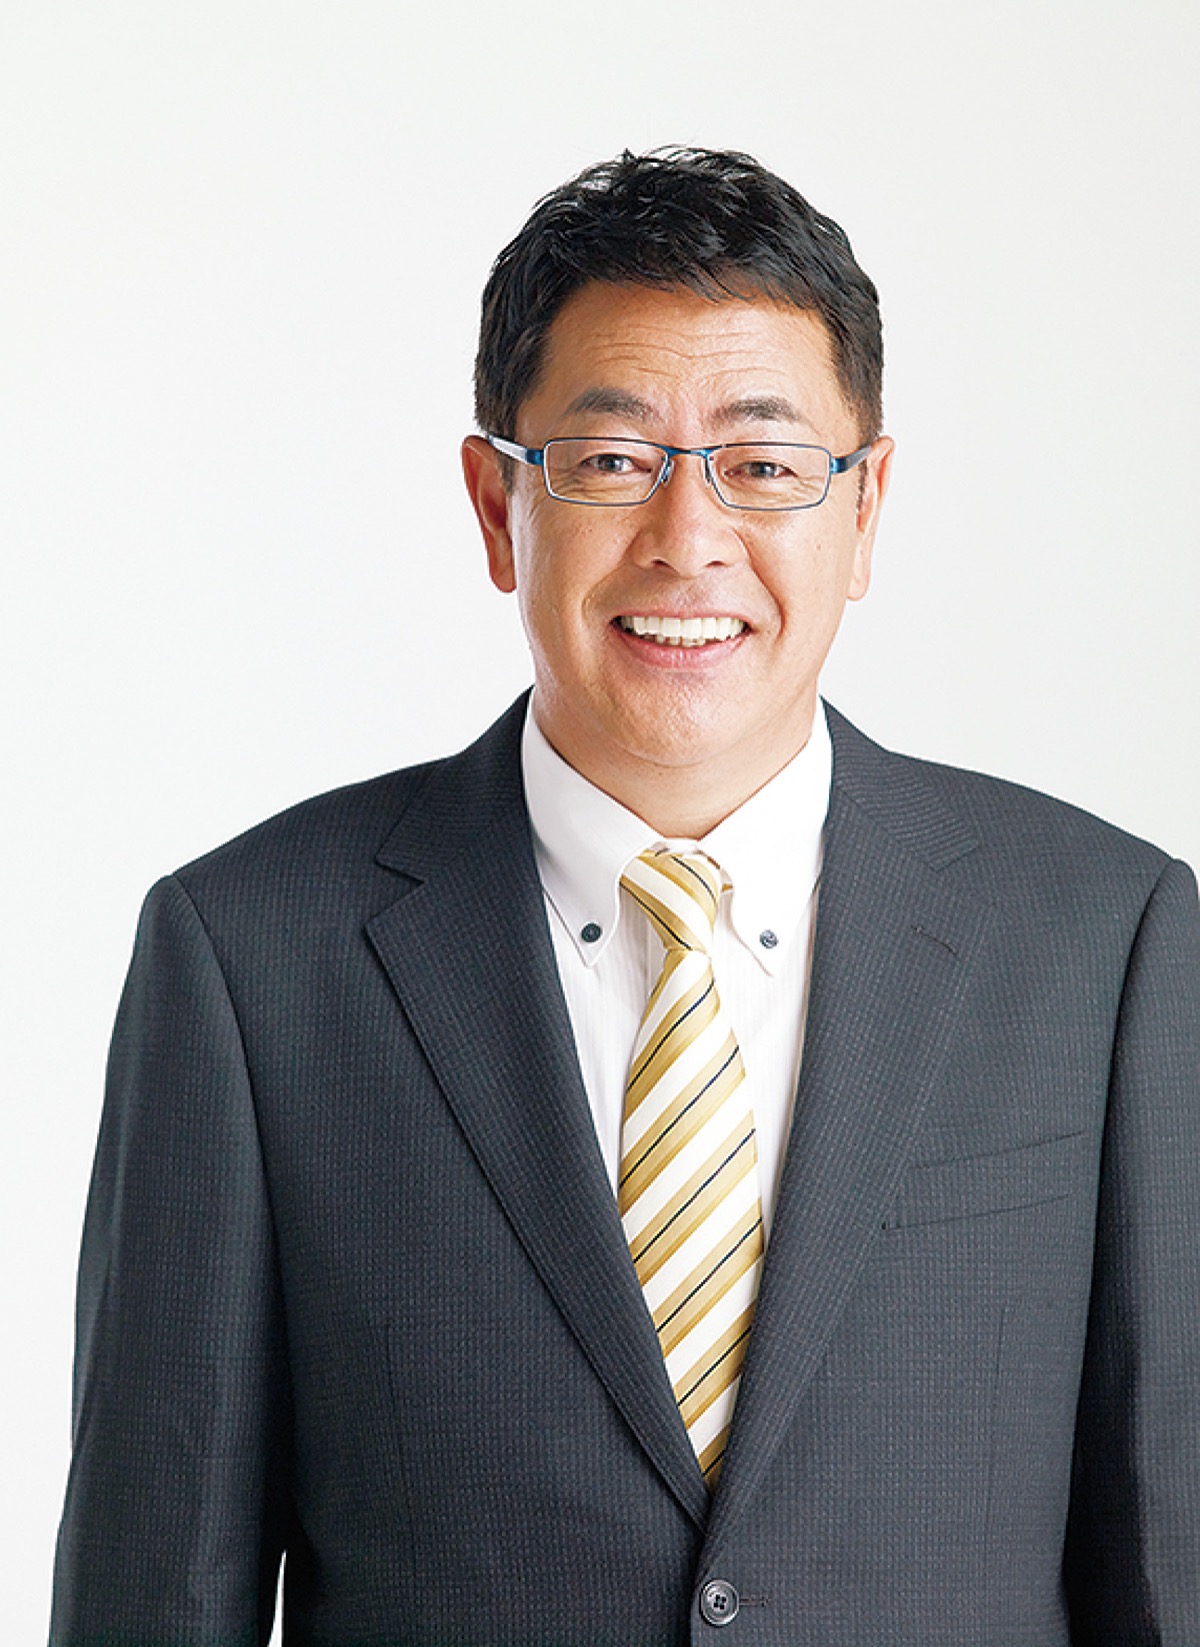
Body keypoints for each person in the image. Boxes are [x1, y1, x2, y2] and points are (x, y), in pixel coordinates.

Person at [50, 147, 1199, 1645]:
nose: (688, 539)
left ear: (865, 510)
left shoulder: (1106, 943)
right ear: (496, 505)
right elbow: (152, 1593)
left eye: (763, 466)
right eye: (609, 461)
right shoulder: (250, 958)